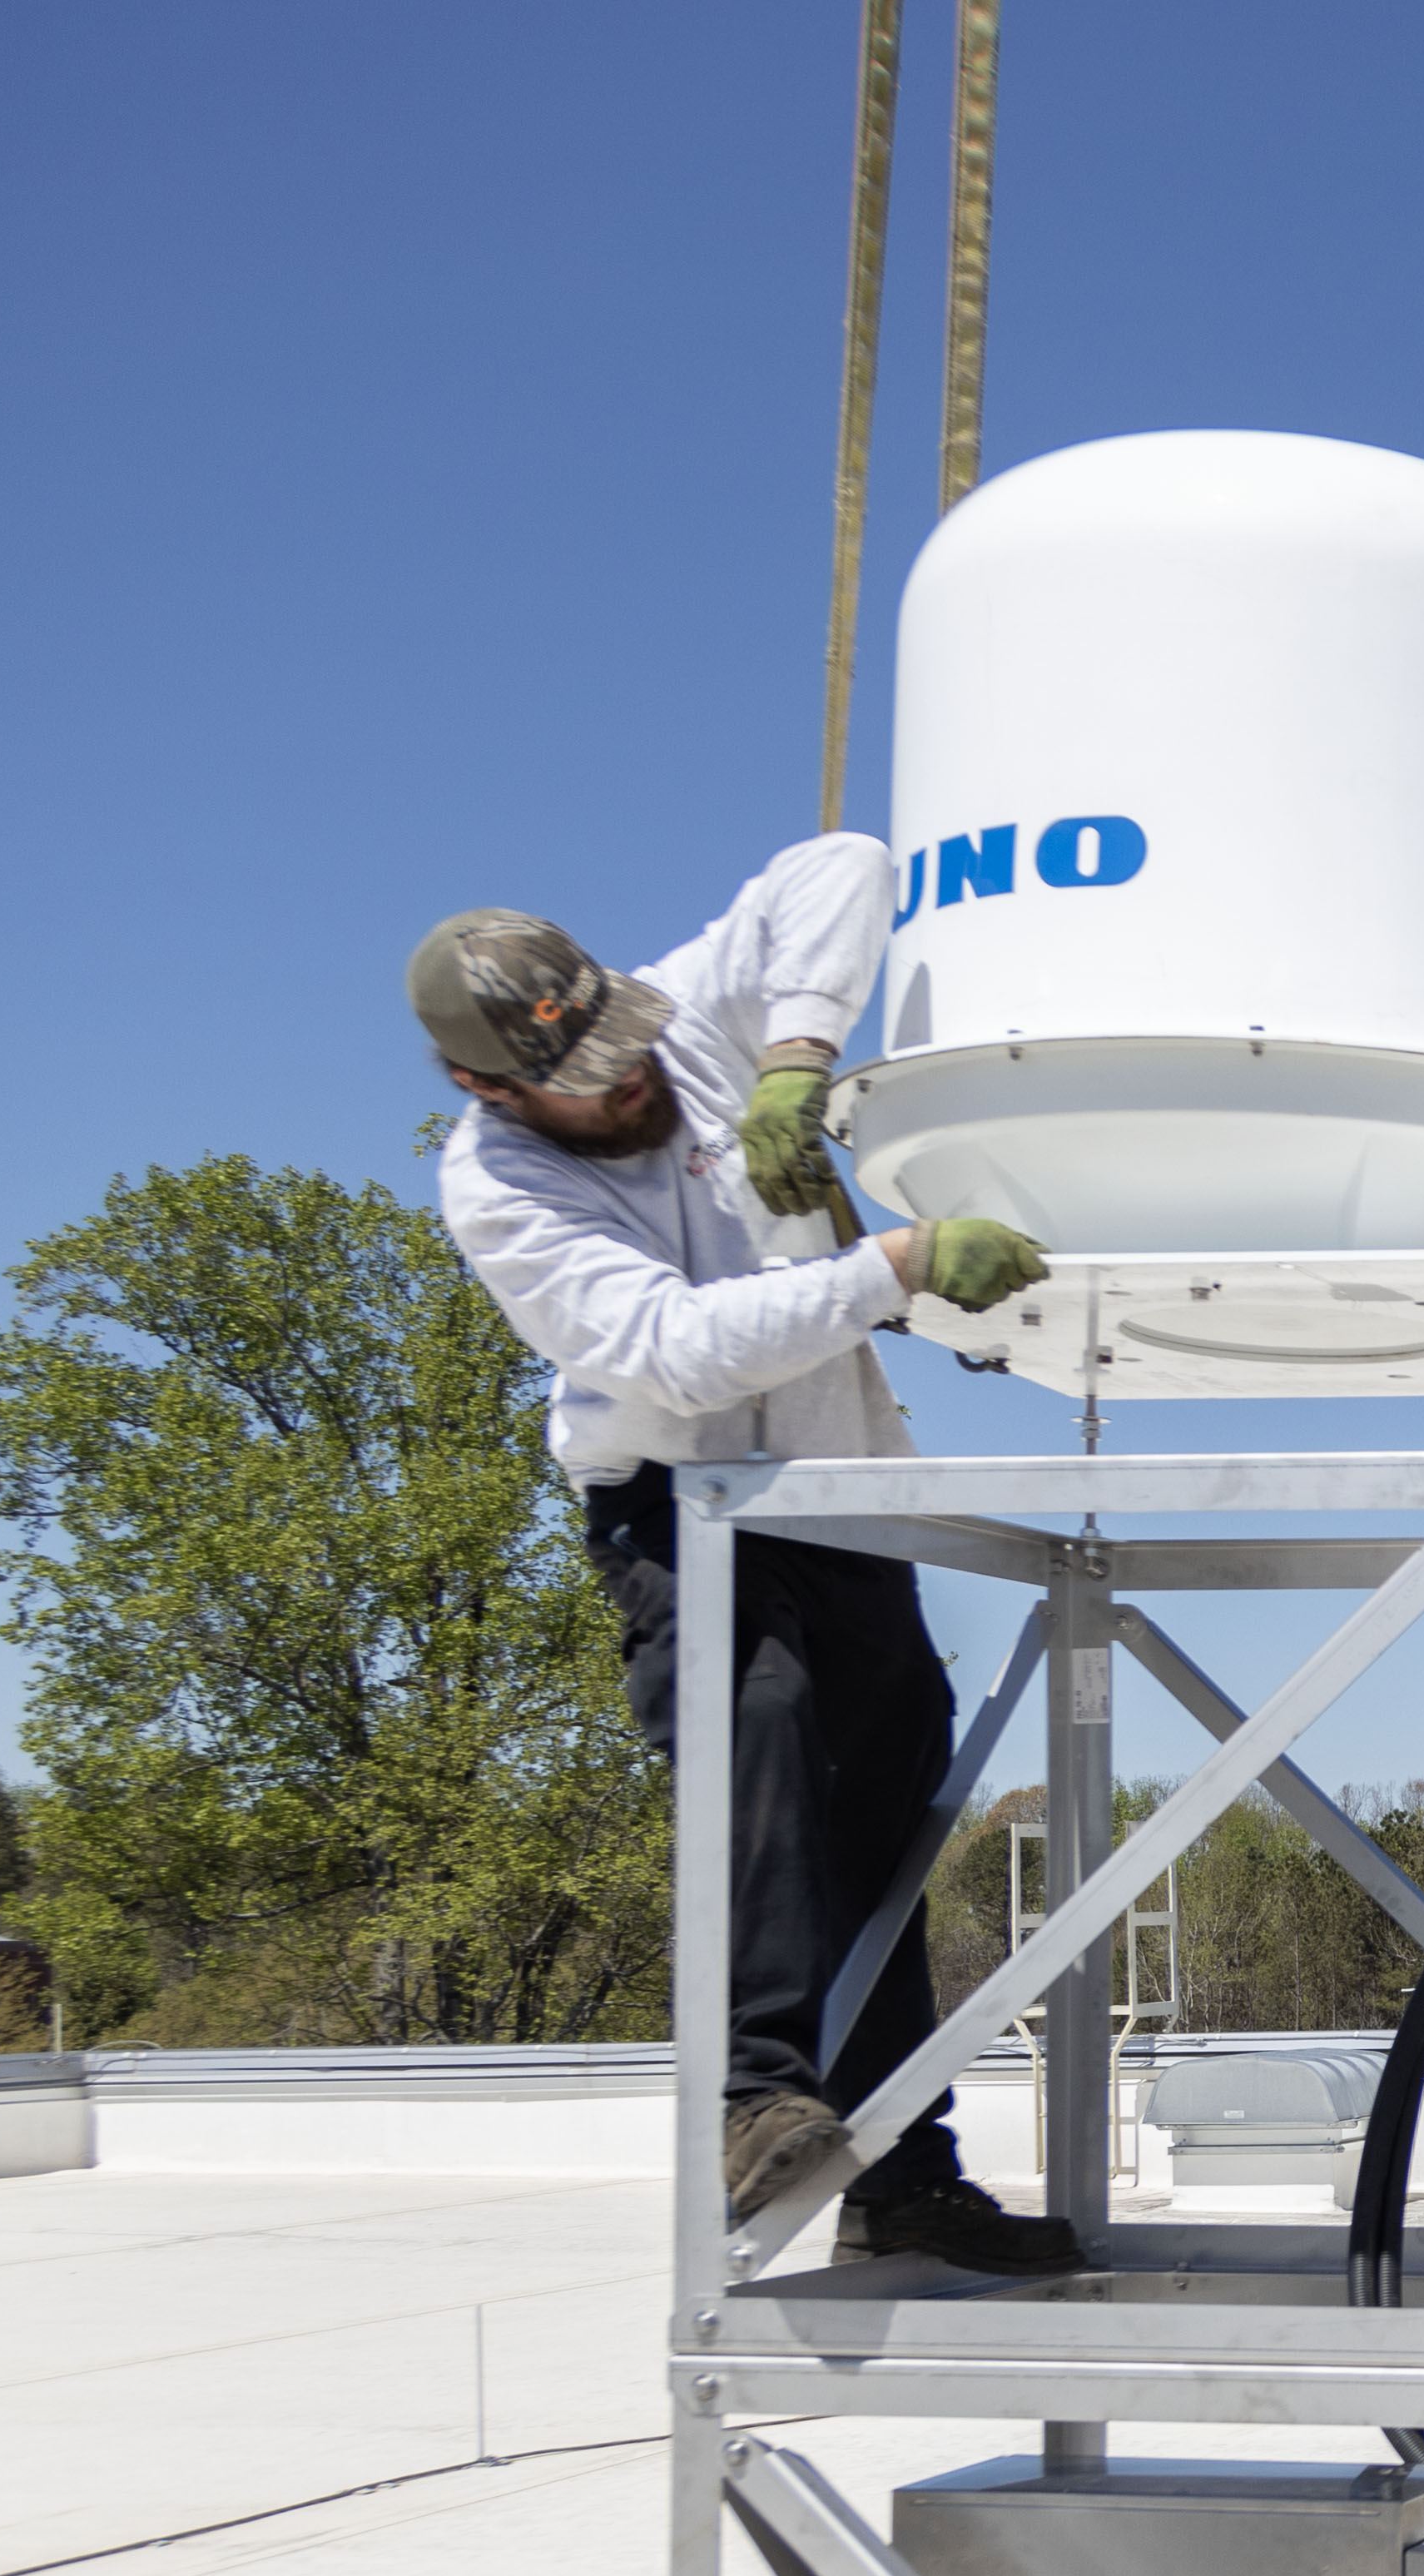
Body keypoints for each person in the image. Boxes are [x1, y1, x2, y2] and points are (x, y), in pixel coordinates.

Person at [413, 843, 1073, 2272]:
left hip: (837, 1502)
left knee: (885, 1825)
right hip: (682, 1501)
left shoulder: (680, 1024)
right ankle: (755, 2099)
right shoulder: (500, 1188)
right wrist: (890, 1267)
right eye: (587, 1076)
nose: (632, 1080)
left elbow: (838, 864)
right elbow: (675, 1355)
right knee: (757, 1740)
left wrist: (792, 1058)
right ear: (488, 1087)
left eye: (626, 1045)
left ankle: (905, 2177)